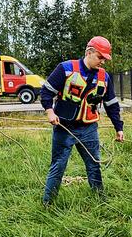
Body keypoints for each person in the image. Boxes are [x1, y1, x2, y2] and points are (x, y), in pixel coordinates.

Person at [40, 36, 124, 205]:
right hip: (65, 127)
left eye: (105, 59)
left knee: (94, 165)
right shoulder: (65, 69)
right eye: (100, 57)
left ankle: (100, 201)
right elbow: (46, 92)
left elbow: (111, 104)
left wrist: (119, 128)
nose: (103, 62)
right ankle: (47, 204)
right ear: (89, 52)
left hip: (89, 129)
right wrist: (49, 112)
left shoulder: (104, 77)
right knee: (58, 166)